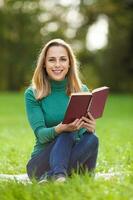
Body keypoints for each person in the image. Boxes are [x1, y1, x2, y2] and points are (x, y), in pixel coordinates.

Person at [25, 38, 99, 183]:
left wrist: (90, 128)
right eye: (52, 60)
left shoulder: (81, 90)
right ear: (44, 64)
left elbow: (83, 136)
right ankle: (58, 175)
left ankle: (56, 177)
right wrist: (61, 128)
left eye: (63, 59)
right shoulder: (33, 93)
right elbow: (41, 135)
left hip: (69, 158)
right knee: (68, 132)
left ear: (69, 63)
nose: (57, 64)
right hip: (39, 164)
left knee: (93, 139)